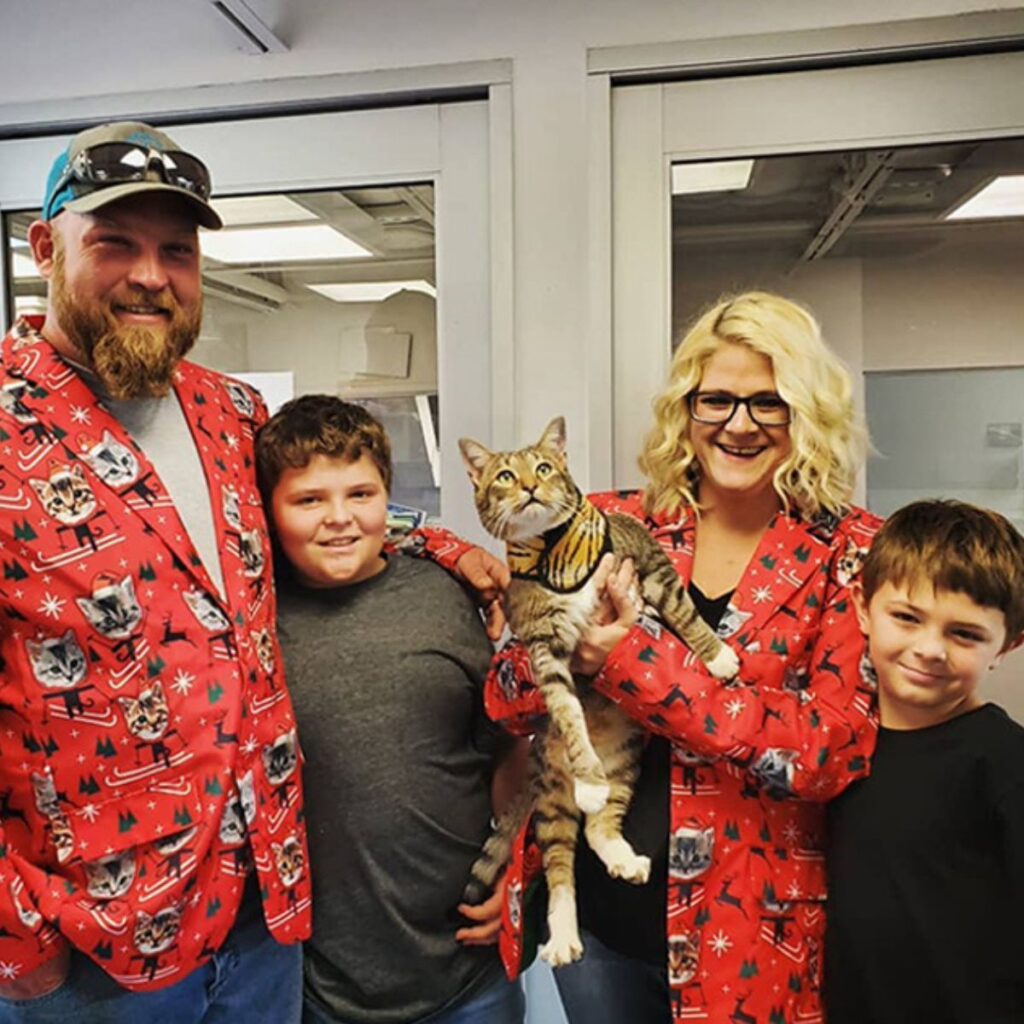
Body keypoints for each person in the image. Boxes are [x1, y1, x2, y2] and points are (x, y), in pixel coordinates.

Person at [0, 120, 507, 1022]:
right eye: (114, 243)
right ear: (45, 247)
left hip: (268, 915)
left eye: (176, 250)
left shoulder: (232, 416)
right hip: (95, 955)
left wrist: (442, 547)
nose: (151, 275)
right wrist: (20, 944)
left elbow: (319, 519)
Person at [485, 292, 883, 1022]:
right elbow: (505, 694)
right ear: (686, 410)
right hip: (604, 923)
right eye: (717, 400)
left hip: (749, 930)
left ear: (808, 415)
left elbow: (825, 749)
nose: (738, 424)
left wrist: (629, 662)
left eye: (769, 403)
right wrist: (569, 657)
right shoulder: (610, 522)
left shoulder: (850, 552)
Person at [255, 394, 527, 1024]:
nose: (340, 519)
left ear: (389, 499)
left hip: (467, 972)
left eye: (360, 494)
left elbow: (507, 745)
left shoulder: (449, 594)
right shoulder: (254, 621)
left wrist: (520, 862)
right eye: (308, 500)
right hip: (322, 986)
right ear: (269, 511)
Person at [824, 499, 1024, 1024]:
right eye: (907, 618)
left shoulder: (1006, 761)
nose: (930, 649)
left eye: (964, 634)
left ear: (1009, 643)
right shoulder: (828, 747)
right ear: (863, 608)